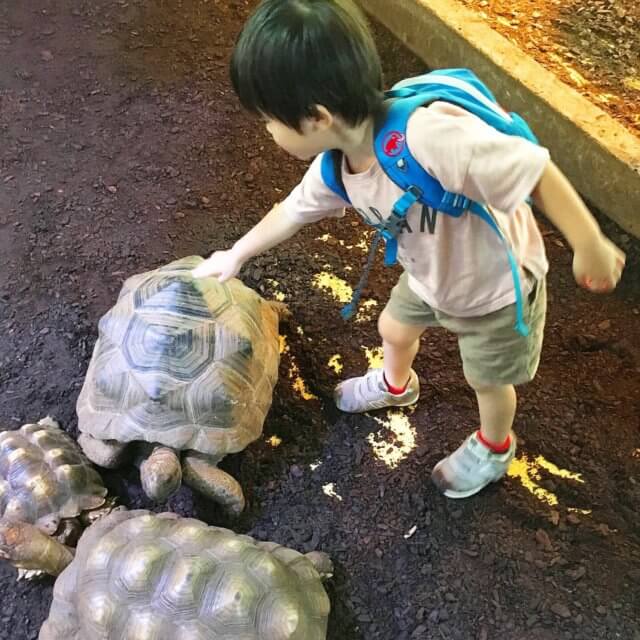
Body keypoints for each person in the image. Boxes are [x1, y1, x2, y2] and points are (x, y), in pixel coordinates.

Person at [192, 0, 625, 499]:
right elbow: (291, 211)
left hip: (495, 288)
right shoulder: (338, 164)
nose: (268, 132)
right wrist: (236, 254)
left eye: (270, 121)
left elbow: (535, 169)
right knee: (393, 327)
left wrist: (588, 244)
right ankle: (398, 385)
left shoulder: (429, 137)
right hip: (431, 274)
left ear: (316, 118)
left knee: (488, 382)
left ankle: (493, 444)